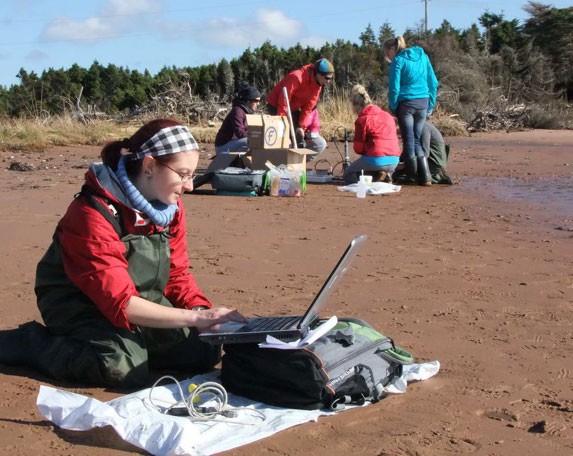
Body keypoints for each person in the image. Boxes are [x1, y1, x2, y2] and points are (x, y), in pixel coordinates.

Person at [0, 118, 247, 389]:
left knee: (202, 350)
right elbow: (121, 301)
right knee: (120, 366)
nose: (190, 185)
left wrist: (201, 311)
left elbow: (176, 274)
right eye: (183, 174)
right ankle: (28, 342)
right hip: (79, 304)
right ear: (150, 166)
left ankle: (134, 341)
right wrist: (196, 318)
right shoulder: (92, 213)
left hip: (140, 299)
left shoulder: (170, 209)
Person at [383, 35, 438, 185]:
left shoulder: (398, 61)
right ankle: (425, 175)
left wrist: (393, 107)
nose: (388, 57)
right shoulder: (423, 57)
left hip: (406, 103)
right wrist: (430, 105)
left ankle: (412, 174)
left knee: (409, 139)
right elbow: (433, 82)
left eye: (387, 53)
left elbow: (394, 88)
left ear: (393, 48)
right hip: (423, 102)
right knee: (416, 139)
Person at [266, 58, 334, 154]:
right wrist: (281, 121)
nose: (328, 81)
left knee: (298, 135)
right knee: (283, 134)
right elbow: (284, 100)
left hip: (292, 108)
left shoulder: (318, 85)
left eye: (331, 78)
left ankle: (298, 162)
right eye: (327, 78)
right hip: (276, 105)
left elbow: (308, 107)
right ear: (318, 74)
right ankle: (278, 158)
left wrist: (301, 127)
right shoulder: (297, 77)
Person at [343, 84, 401, 184]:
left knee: (348, 174)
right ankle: (384, 175)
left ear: (355, 106)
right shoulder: (388, 116)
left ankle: (371, 180)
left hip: (375, 159)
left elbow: (358, 148)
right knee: (370, 163)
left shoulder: (362, 120)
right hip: (394, 160)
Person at [214, 82, 261, 154]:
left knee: (256, 142)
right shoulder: (237, 111)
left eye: (259, 101)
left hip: (235, 143)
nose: (258, 104)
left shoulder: (248, 112)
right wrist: (257, 133)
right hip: (223, 147)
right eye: (256, 101)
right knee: (251, 140)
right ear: (248, 100)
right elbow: (240, 133)